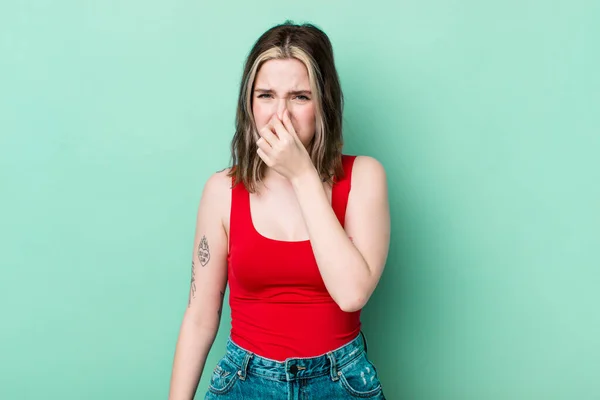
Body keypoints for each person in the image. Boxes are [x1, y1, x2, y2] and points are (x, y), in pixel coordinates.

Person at [168, 21, 391, 400]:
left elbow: (352, 294)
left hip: (342, 381)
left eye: (300, 96)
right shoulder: (222, 190)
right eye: (266, 95)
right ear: (248, 104)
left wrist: (303, 175)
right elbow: (201, 318)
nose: (280, 115)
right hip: (244, 380)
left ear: (324, 104)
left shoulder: (364, 177)